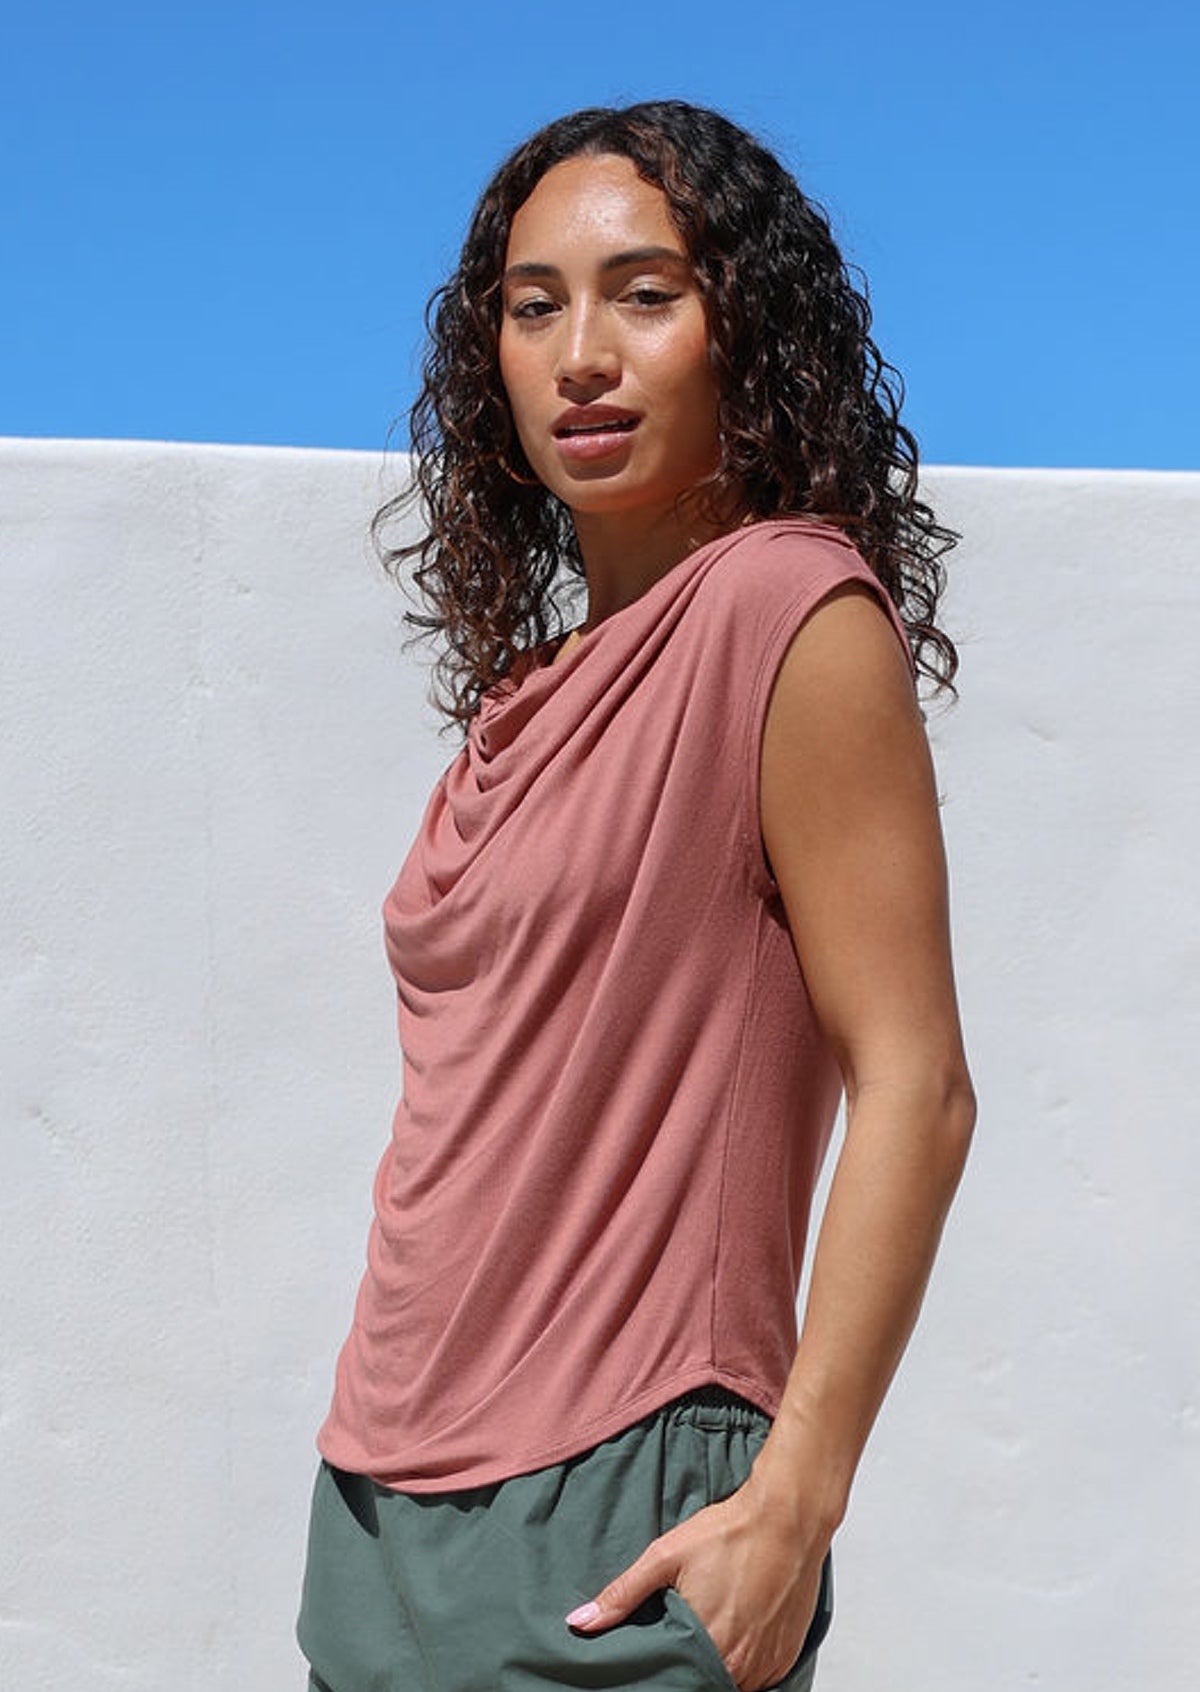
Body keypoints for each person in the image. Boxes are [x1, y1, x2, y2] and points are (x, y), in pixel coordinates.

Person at [297, 100, 975, 1692]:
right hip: (379, 1506)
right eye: (535, 308)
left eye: (645, 294)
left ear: (747, 328)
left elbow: (917, 1085)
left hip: (624, 1493)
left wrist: (795, 1502)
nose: (581, 352)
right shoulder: (522, 698)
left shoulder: (785, 610)